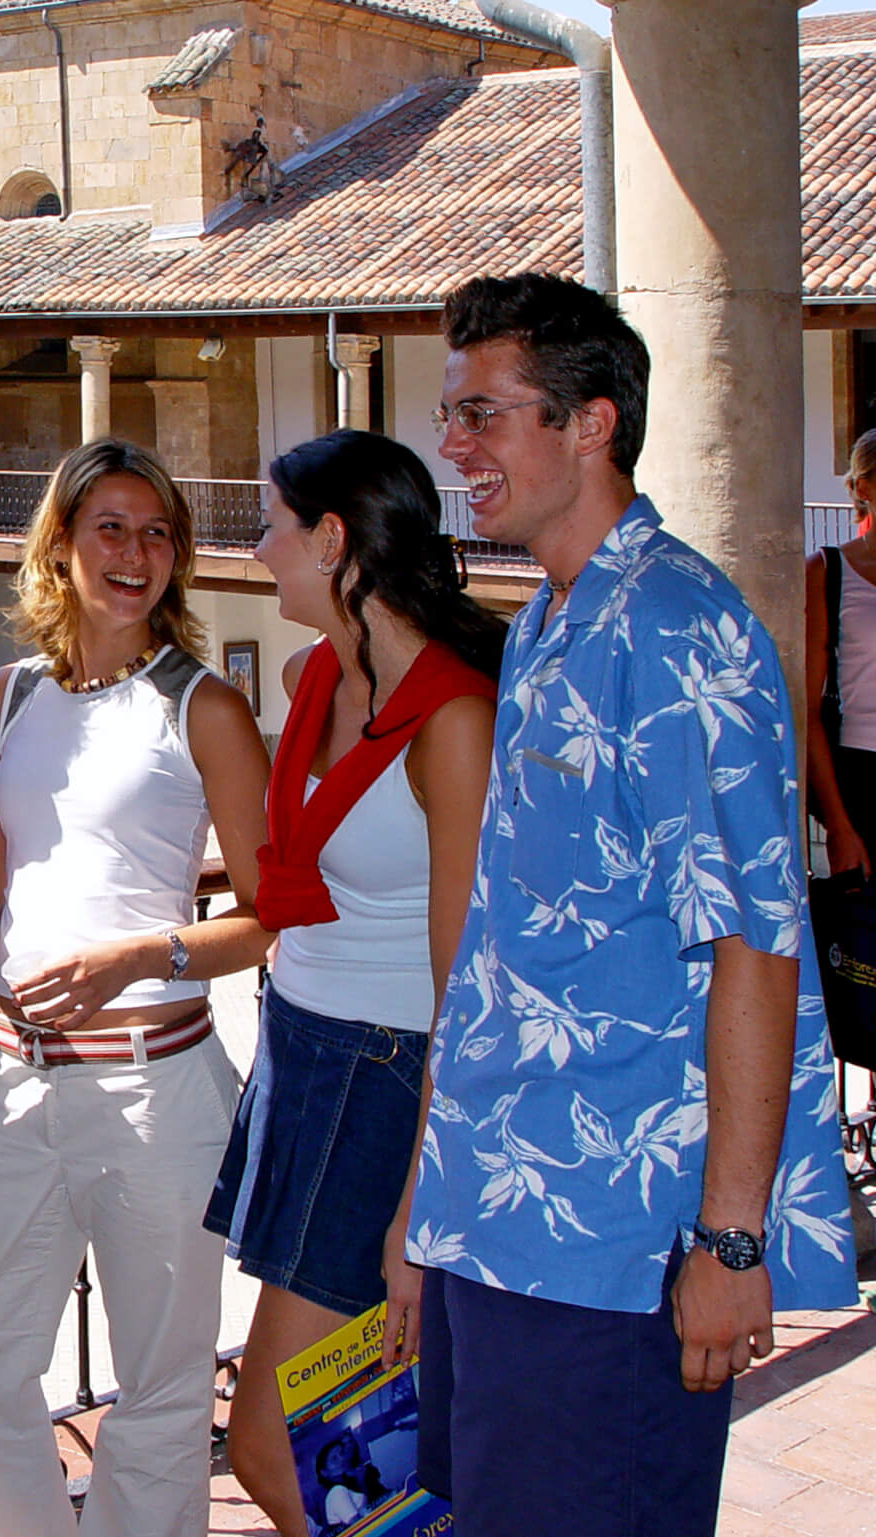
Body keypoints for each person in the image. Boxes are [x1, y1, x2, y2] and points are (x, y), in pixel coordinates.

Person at [408, 273, 856, 1536]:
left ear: (589, 423)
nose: (453, 445)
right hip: (503, 1216)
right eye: (452, 414)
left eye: (483, 414)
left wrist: (725, 1242)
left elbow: (752, 947)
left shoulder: (670, 627)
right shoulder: (552, 610)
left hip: (611, 1249)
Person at [0, 438, 272, 1536]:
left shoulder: (203, 707)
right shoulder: (1, 700)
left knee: (164, 1395)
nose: (135, 552)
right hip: (11, 1086)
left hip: (156, 1092)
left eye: (156, 530)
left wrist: (139, 957)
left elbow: (268, 919)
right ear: (60, 546)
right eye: (109, 528)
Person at [202, 430, 501, 1537]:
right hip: (302, 1053)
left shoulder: (453, 719)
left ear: (331, 539)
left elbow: (462, 986)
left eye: (271, 525)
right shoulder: (308, 672)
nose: (258, 546)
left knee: (279, 1442)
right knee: (345, 1434)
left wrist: (417, 1214)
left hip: (382, 1084)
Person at [804, 428, 876, 880]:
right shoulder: (829, 571)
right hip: (864, 780)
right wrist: (838, 824)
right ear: (865, 487)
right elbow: (808, 711)